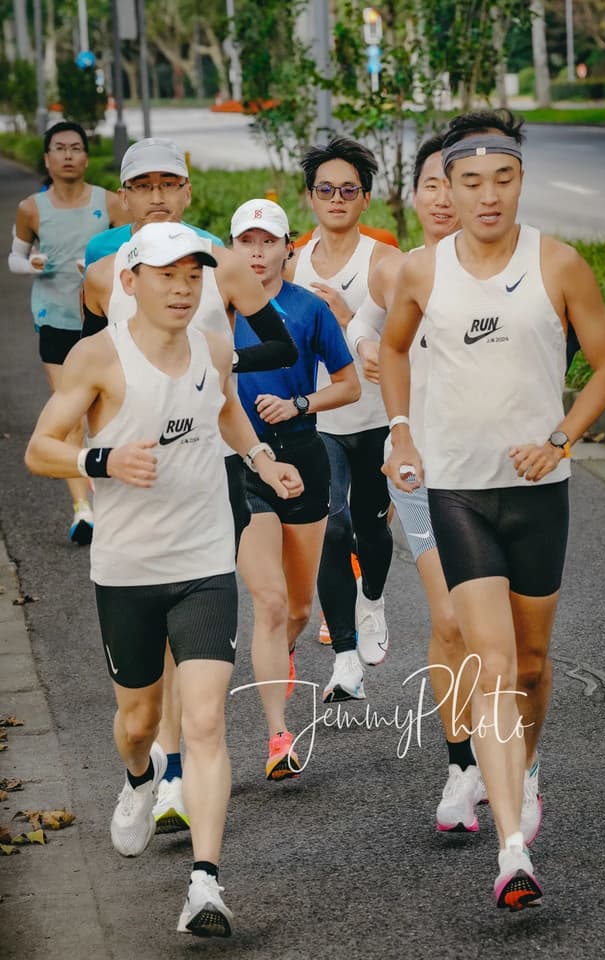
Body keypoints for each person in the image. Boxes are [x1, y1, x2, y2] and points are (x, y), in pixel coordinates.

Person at [24, 222, 304, 937]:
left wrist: (264, 460)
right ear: (131, 283)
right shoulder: (98, 357)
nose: (183, 288)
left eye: (193, 276)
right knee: (139, 720)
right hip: (126, 570)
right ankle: (140, 779)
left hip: (205, 559)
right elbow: (40, 448)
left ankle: (205, 884)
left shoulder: (214, 349)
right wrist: (103, 462)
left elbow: (230, 417)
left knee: (207, 718)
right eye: (167, 275)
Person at [379, 109, 605, 910]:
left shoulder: (559, 264)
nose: (488, 196)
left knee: (528, 665)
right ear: (445, 187)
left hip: (538, 496)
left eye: (504, 179)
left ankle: (525, 764)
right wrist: (403, 431)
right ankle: (513, 850)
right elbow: (391, 349)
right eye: (471, 181)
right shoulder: (423, 271)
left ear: (521, 181)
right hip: (456, 488)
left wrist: (559, 440)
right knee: (489, 663)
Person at [81, 139, 299, 832]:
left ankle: (182, 777)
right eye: (140, 186)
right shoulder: (99, 274)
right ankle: (160, 771)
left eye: (168, 184)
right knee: (153, 669)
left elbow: (282, 344)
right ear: (122, 198)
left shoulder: (224, 262)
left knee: (198, 632)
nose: (155, 197)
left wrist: (217, 366)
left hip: (211, 458)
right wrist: (99, 455)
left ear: (188, 190)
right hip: (136, 482)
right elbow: (90, 369)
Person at [347, 134, 489, 834]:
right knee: (451, 619)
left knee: (507, 635)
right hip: (420, 469)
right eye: (429, 184)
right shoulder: (402, 270)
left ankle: (511, 755)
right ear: (418, 194)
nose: (440, 196)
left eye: (449, 183)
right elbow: (359, 327)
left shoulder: (497, 270)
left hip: (493, 474)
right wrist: (368, 347)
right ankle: (462, 762)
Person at [231, 198, 360, 778]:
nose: (257, 253)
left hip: (304, 456)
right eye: (246, 242)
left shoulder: (309, 309)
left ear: (288, 247)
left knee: (300, 607)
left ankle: (281, 652)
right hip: (239, 464)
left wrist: (298, 403)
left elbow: (350, 385)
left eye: (268, 242)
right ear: (234, 249)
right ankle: (278, 737)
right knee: (271, 601)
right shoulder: (216, 308)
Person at [286, 135, 402, 701]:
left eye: (348, 190)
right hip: (320, 419)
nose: (336, 198)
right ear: (310, 196)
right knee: (331, 528)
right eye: (325, 189)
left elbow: (406, 333)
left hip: (377, 417)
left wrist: (349, 315)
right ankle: (345, 658)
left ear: (365, 198)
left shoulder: (383, 260)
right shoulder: (292, 262)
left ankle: (373, 601)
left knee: (370, 526)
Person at [9, 121, 127, 544]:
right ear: (48, 158)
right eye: (59, 149)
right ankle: (84, 511)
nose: (68, 156)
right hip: (55, 321)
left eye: (76, 148)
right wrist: (34, 264)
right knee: (72, 414)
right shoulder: (31, 209)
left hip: (102, 322)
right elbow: (15, 260)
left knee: (108, 410)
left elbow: (130, 253)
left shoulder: (111, 203)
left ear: (85, 156)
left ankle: (113, 491)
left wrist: (99, 268)